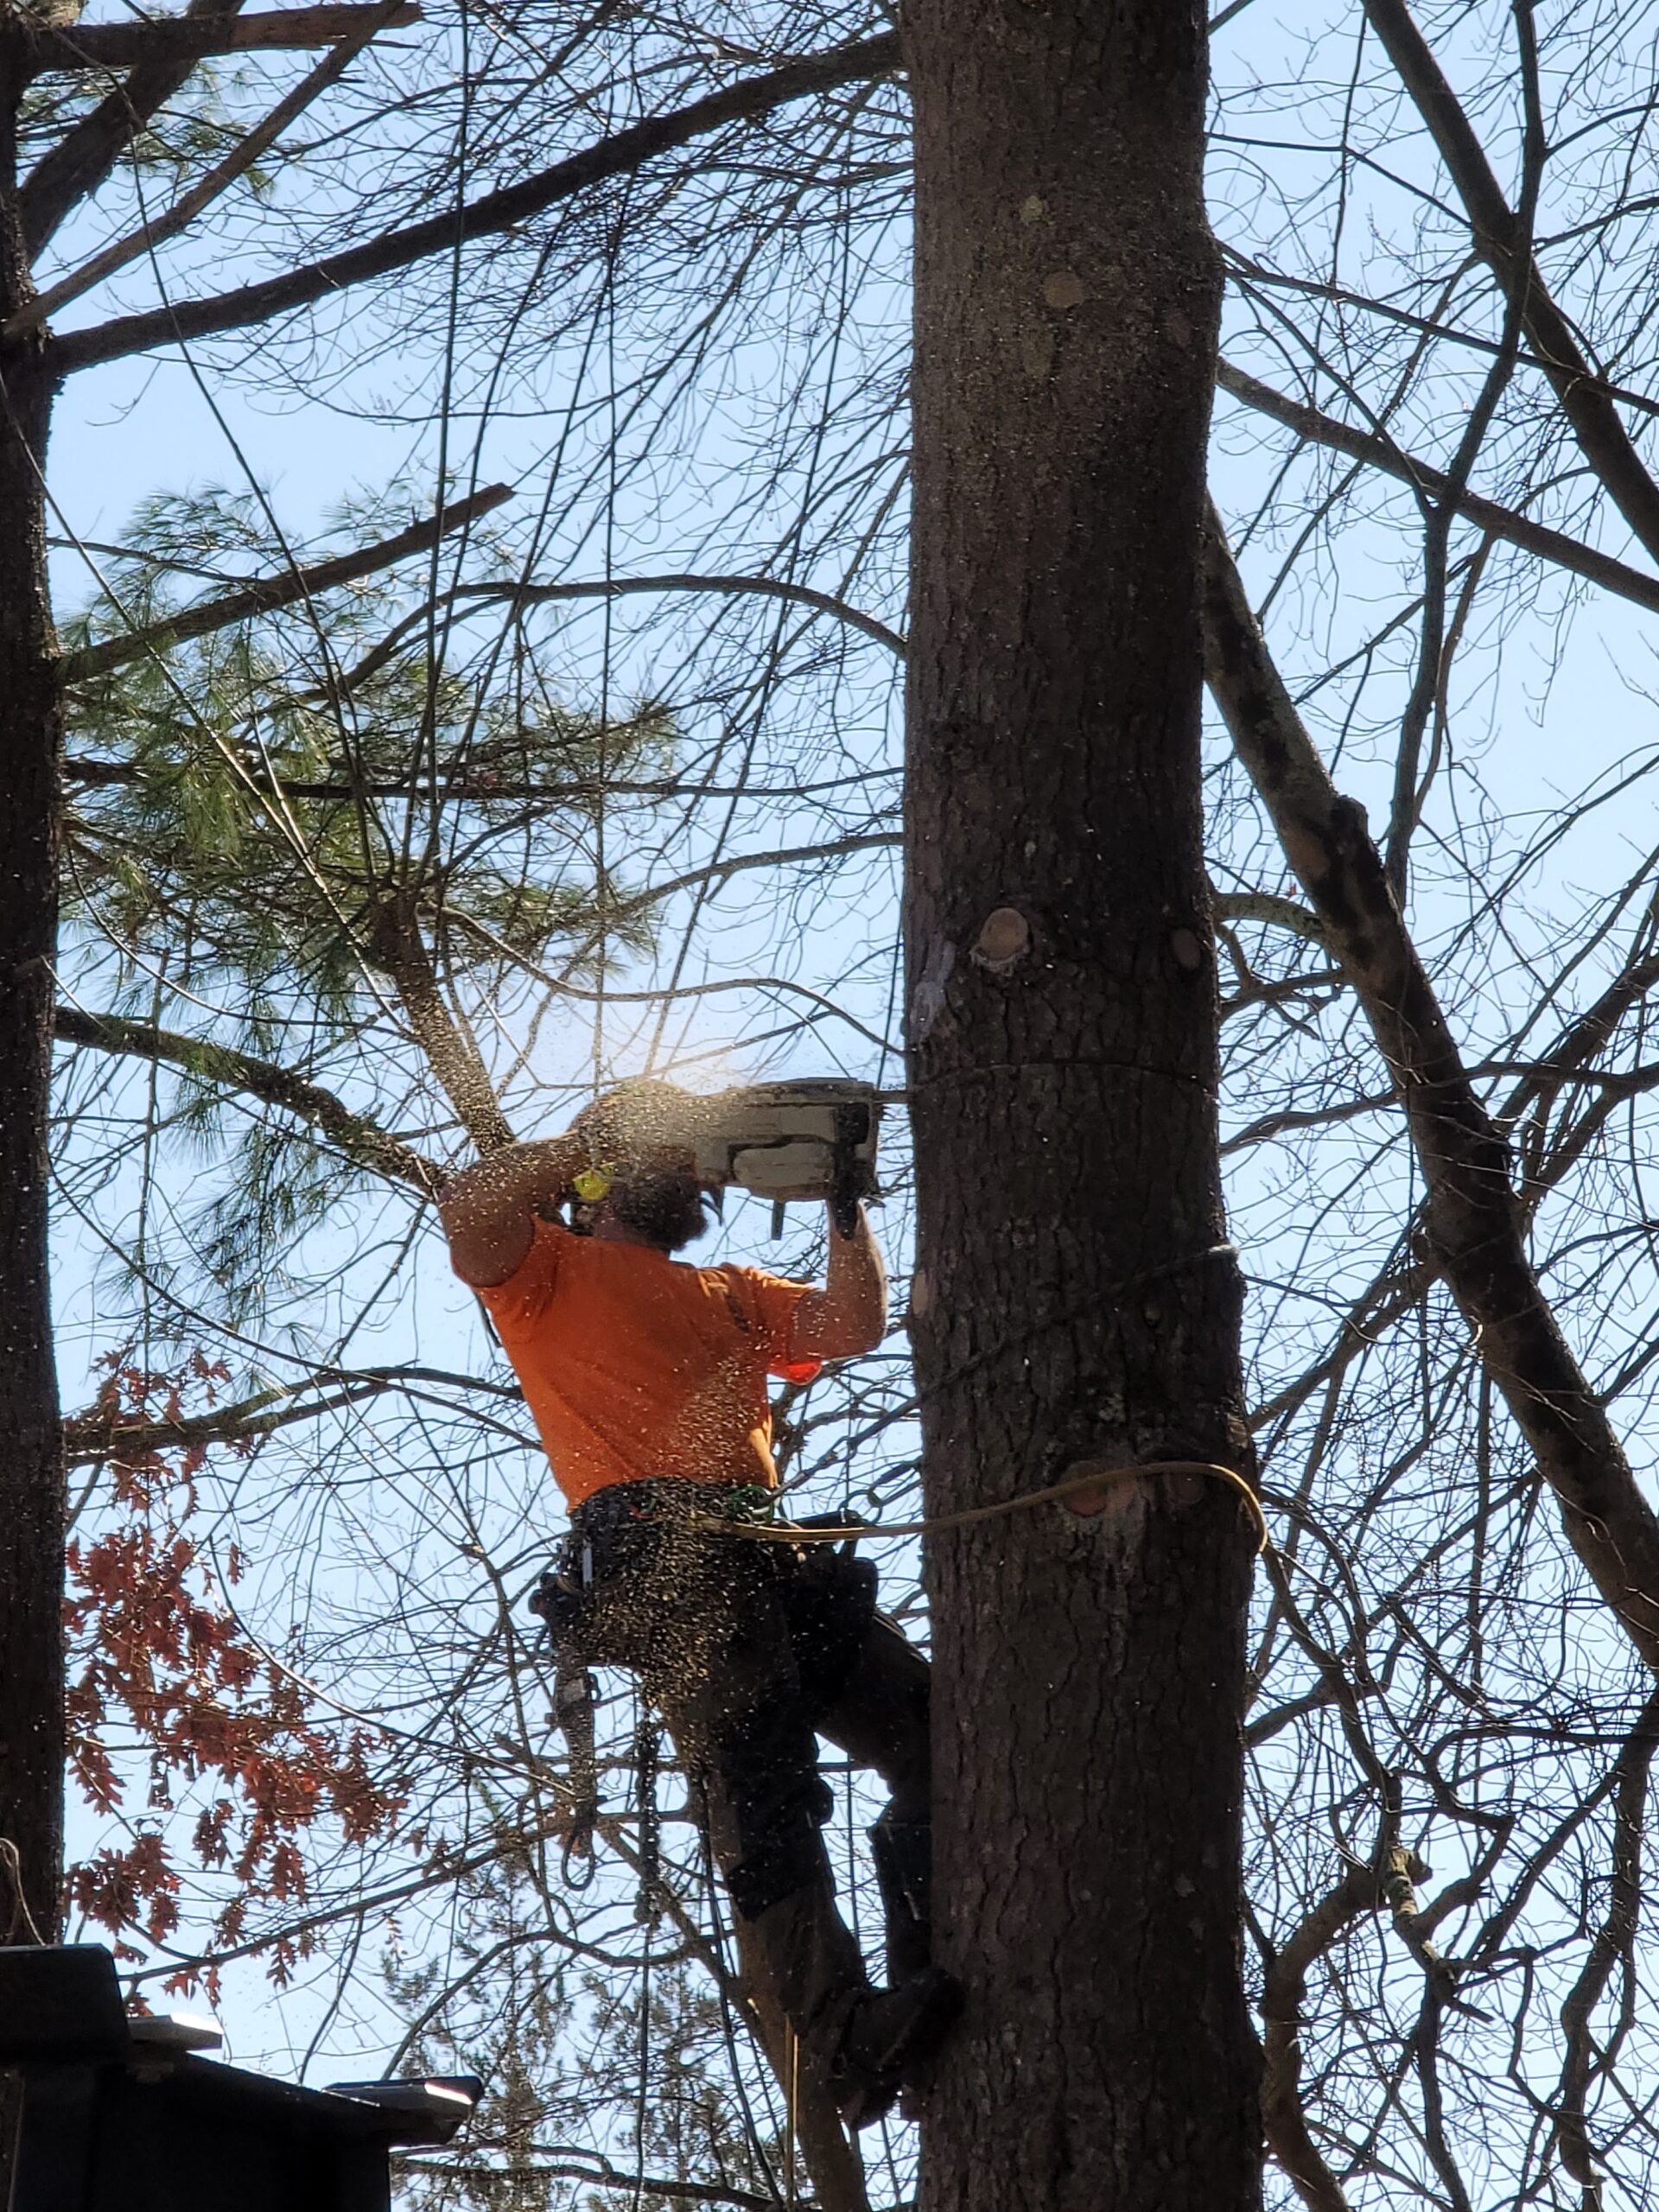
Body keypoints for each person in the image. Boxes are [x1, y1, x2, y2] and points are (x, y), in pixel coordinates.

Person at [439, 1080, 959, 2127]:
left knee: (941, 1733)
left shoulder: (728, 1291)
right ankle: (844, 2038)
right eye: (668, 1155)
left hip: (765, 1553)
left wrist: (846, 1203)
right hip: (657, 1556)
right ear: (606, 1181)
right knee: (760, 1780)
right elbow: (468, 1211)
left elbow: (849, 1322)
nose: (689, 1171)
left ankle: (932, 1946)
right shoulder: (547, 1269)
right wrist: (592, 1135)